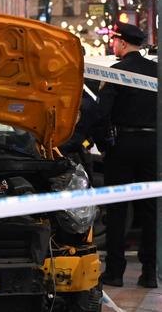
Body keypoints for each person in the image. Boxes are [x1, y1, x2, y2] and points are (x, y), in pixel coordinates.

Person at [93, 22, 158, 288]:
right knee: (151, 211)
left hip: (123, 145)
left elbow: (101, 114)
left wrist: (104, 144)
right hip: (153, 145)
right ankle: (150, 273)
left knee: (117, 210)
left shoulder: (116, 73)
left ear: (121, 43)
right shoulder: (156, 72)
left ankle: (115, 272)